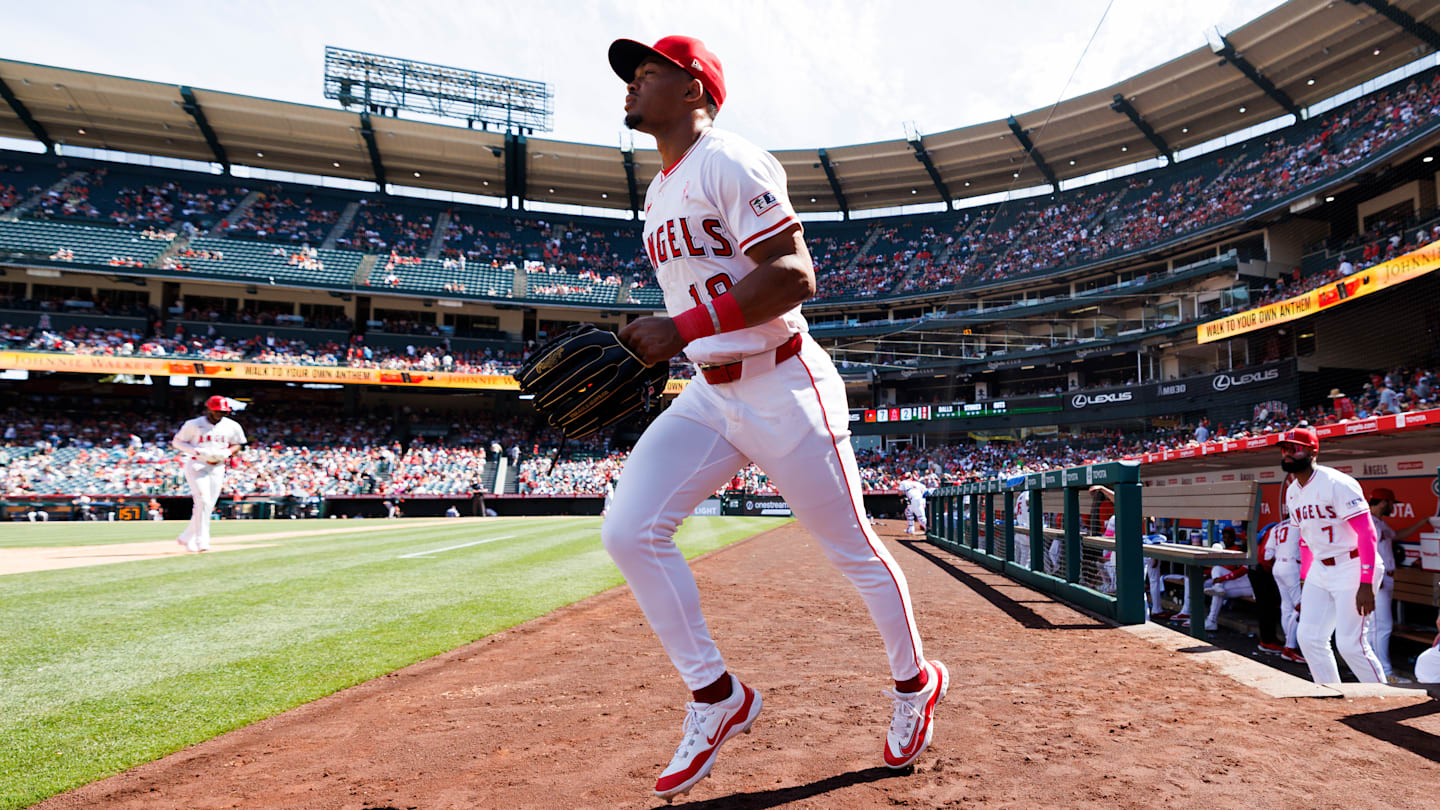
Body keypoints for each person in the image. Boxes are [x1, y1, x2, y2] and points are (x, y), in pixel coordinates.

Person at [601, 35, 945, 801]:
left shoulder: (730, 160)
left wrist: (680, 328)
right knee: (629, 530)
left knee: (853, 549)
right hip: (710, 394)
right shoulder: (658, 192)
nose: (631, 84)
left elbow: (794, 274)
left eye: (647, 72)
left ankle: (914, 682)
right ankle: (717, 696)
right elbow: (704, 296)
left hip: (785, 384)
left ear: (693, 90)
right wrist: (659, 338)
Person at [1281, 425, 1386, 683]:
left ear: (1312, 451)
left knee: (1351, 644)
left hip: (1353, 564)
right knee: (1309, 637)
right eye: (1285, 449)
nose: (1287, 454)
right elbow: (1305, 541)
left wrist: (1365, 582)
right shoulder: (1292, 492)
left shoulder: (1337, 483)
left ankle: (1383, 699)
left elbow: (1367, 534)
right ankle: (1329, 692)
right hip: (1320, 568)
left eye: (1294, 449)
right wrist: (1306, 578)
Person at [1364, 487, 1432, 682]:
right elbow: (1366, 553)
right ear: (1384, 502)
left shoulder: (1380, 523)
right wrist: (1372, 579)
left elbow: (1396, 535)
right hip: (1378, 579)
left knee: (1375, 628)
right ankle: (1384, 673)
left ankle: (1373, 672)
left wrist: (1420, 523)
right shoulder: (1368, 522)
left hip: (1385, 578)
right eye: (1392, 503)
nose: (1393, 507)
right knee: (1380, 627)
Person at [171, 395, 246, 553]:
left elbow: (237, 444)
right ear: (209, 409)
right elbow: (177, 442)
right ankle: (202, 540)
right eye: (218, 410)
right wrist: (196, 450)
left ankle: (186, 537)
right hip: (197, 463)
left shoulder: (231, 425)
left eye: (223, 411)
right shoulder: (194, 424)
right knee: (203, 500)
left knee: (208, 505)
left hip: (217, 466)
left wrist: (227, 451)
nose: (220, 414)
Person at [1263, 505, 1306, 664]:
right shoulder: (1300, 525)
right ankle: (1290, 647)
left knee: (1287, 606)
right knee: (1300, 606)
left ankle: (1290, 641)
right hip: (1293, 567)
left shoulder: (1276, 527)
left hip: (1278, 566)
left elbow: (1268, 554)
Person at [1202, 527, 1253, 633]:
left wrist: (1222, 578)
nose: (1242, 541)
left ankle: (1211, 621)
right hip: (1243, 582)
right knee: (1217, 576)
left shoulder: (1253, 551)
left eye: (1244, 539)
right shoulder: (1247, 551)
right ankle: (1211, 620)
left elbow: (1242, 571)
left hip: (1252, 586)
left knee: (1219, 591)